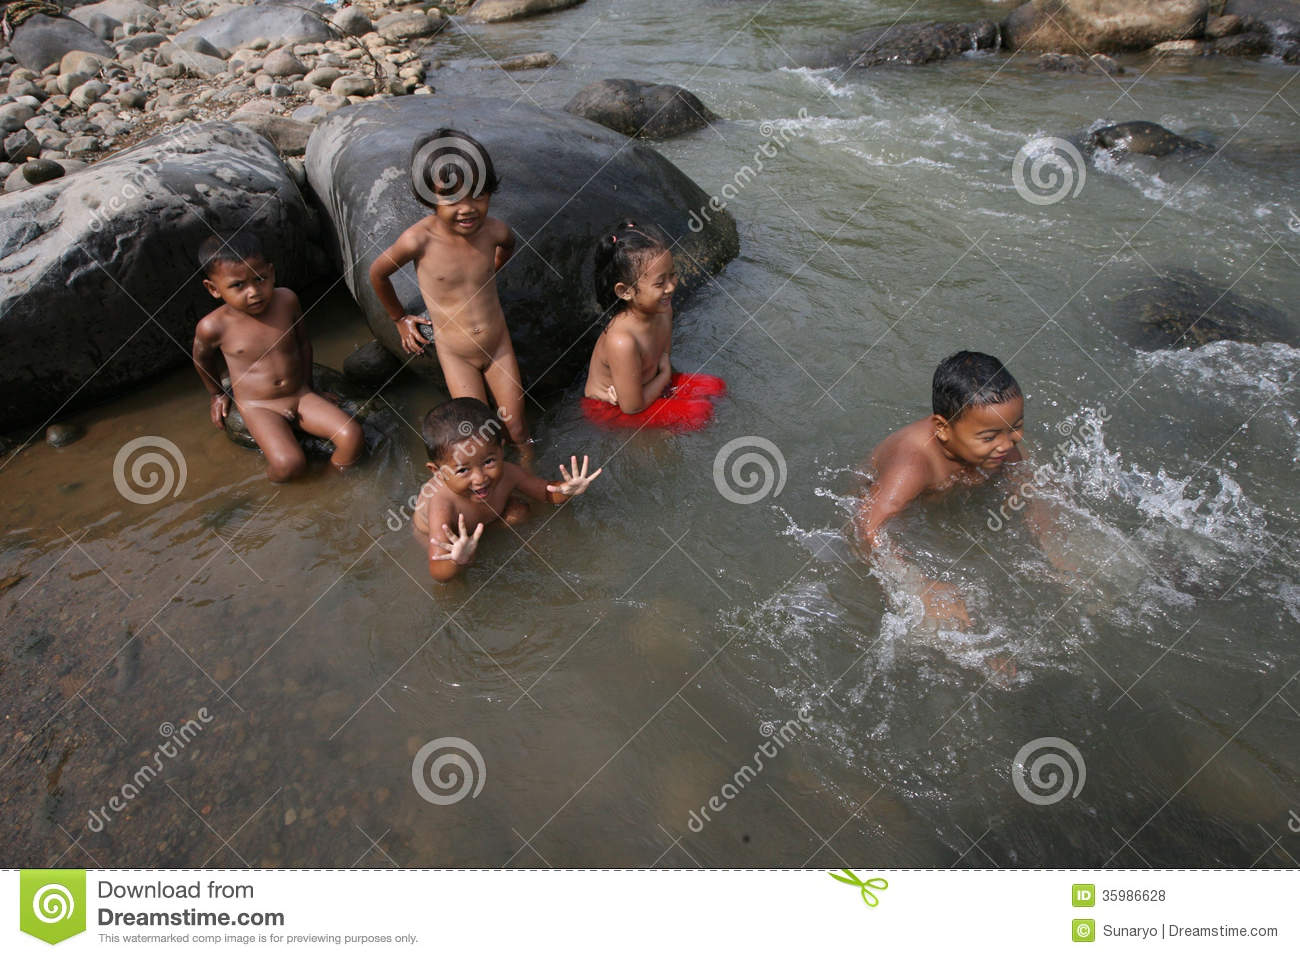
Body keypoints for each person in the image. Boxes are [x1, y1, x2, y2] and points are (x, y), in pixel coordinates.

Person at [369, 128, 530, 452]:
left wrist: (490, 272)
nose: (467, 208)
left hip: (498, 345)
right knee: (477, 438)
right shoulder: (419, 240)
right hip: (456, 354)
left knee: (517, 428)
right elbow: (378, 274)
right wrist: (399, 318)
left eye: (478, 195)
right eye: (452, 197)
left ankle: (533, 481)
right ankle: (488, 495)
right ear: (427, 197)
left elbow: (507, 246)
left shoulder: (494, 231)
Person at [855, 351, 1024, 629]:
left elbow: (1028, 481)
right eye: (990, 436)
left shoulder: (997, 445)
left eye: (1015, 428)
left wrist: (1051, 534)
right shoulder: (914, 463)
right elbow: (866, 527)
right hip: (901, 507)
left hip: (950, 500)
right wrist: (917, 584)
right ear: (943, 429)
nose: (1007, 445)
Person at [192, 232, 363, 482]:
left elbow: (303, 344)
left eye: (260, 279)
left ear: (271, 272)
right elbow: (201, 359)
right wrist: (217, 394)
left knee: (352, 436)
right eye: (238, 285)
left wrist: (311, 388)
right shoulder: (213, 327)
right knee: (289, 465)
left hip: (300, 395)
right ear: (213, 289)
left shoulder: (286, 300)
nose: (254, 292)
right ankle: (277, 490)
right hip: (260, 406)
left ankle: (330, 483)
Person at [413, 398, 602, 582]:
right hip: (444, 538)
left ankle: (476, 541)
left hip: (481, 525)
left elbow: (545, 493)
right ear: (437, 472)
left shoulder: (508, 473)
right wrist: (456, 559)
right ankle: (464, 553)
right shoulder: (442, 505)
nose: (480, 478)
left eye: (488, 461)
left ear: (501, 450)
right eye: (463, 470)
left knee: (519, 513)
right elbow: (437, 571)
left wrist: (566, 490)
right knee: (456, 583)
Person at [582, 220, 725, 432]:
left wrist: (664, 377)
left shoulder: (664, 312)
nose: (671, 287)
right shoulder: (622, 340)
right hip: (610, 407)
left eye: (673, 275)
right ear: (625, 291)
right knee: (700, 412)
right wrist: (665, 377)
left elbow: (661, 360)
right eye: (660, 283)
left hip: (646, 388)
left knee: (716, 387)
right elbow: (632, 407)